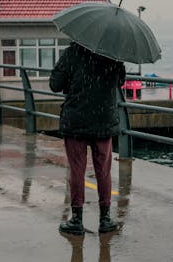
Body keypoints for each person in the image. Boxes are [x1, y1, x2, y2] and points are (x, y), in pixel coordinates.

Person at [49, 41, 126, 235]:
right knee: (104, 170)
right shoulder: (112, 54)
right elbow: (119, 82)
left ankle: (76, 219)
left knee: (77, 170)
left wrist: (69, 79)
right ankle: (105, 219)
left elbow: (55, 85)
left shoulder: (72, 52)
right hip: (103, 120)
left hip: (76, 120)